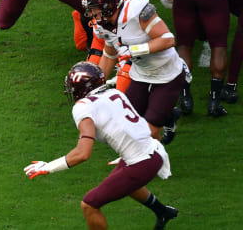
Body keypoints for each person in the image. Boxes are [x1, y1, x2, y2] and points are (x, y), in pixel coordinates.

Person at [24, 61, 178, 230]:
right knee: (125, 185)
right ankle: (162, 212)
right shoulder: (115, 93)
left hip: (141, 161)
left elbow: (83, 153)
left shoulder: (83, 107)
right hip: (152, 150)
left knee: (89, 204)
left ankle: (161, 211)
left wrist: (49, 167)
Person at [82, 0, 186, 144]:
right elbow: (109, 54)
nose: (92, 14)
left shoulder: (135, 11)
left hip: (167, 74)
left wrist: (133, 50)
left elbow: (167, 39)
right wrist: (95, 86)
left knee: (149, 130)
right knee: (128, 123)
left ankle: (153, 162)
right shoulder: (103, 26)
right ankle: (168, 116)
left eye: (94, 9)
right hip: (141, 74)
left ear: (108, 5)